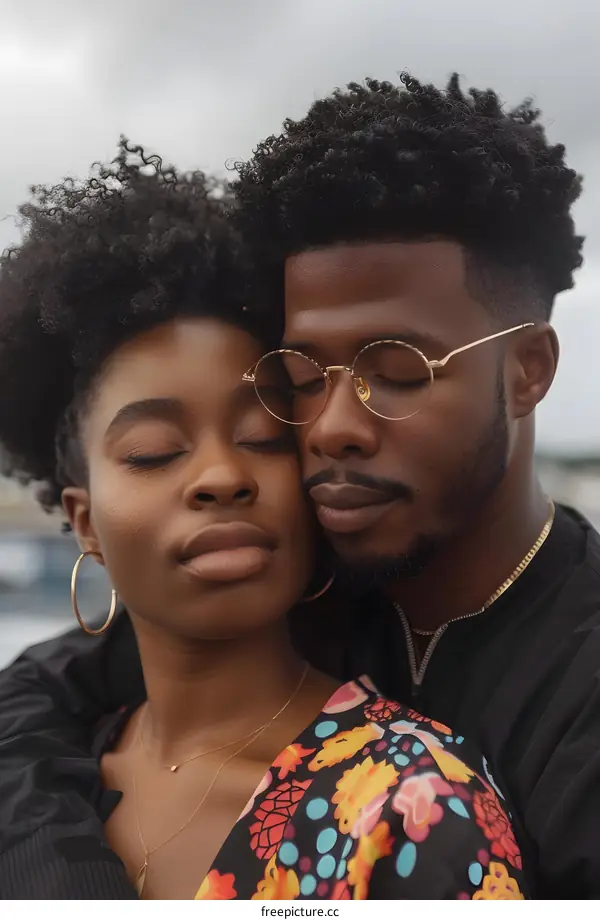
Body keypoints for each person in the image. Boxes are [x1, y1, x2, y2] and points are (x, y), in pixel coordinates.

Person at [0, 70, 594, 898]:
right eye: (302, 375)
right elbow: (34, 697)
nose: (329, 425)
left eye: (397, 369)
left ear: (527, 370)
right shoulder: (293, 593)